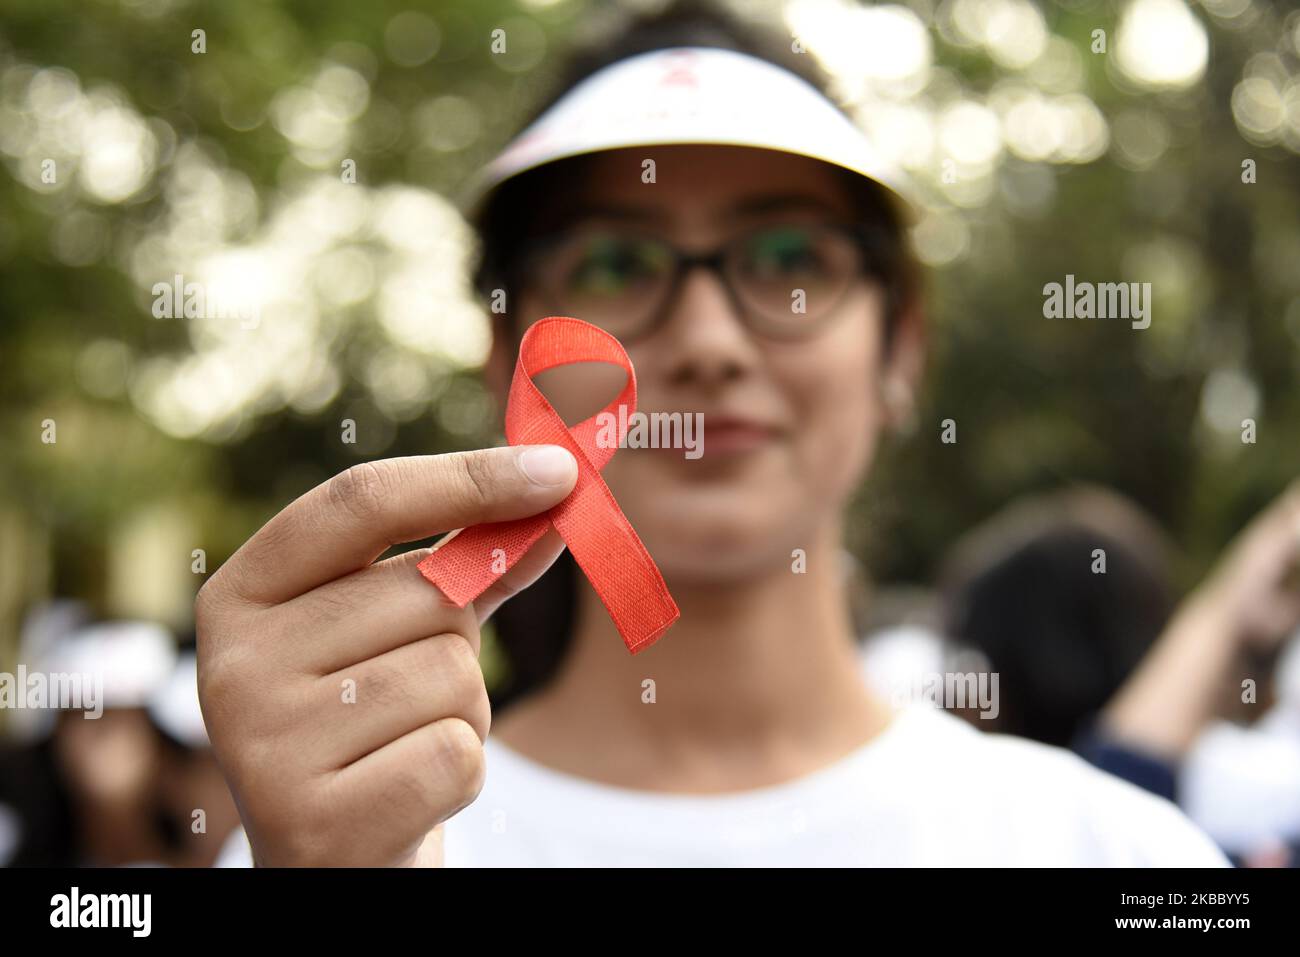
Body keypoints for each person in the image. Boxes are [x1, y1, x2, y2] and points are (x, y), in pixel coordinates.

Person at [196, 1, 1236, 866]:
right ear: (505, 357)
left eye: (790, 257)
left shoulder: (1116, 854)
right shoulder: (335, 837)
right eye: (613, 264)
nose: (707, 341)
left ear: (900, 345)